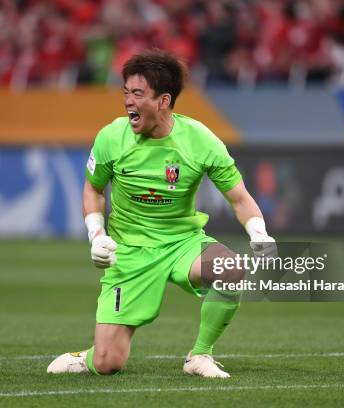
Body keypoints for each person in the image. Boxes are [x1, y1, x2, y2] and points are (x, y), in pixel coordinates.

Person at [47, 48, 276, 378]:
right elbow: (93, 189)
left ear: (164, 100)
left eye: (138, 94)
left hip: (181, 243)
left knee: (231, 267)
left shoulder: (200, 140)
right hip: (129, 251)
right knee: (109, 363)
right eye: (126, 92)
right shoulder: (111, 137)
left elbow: (239, 198)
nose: (128, 101)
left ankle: (199, 356)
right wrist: (96, 236)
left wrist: (259, 233)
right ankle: (88, 357)